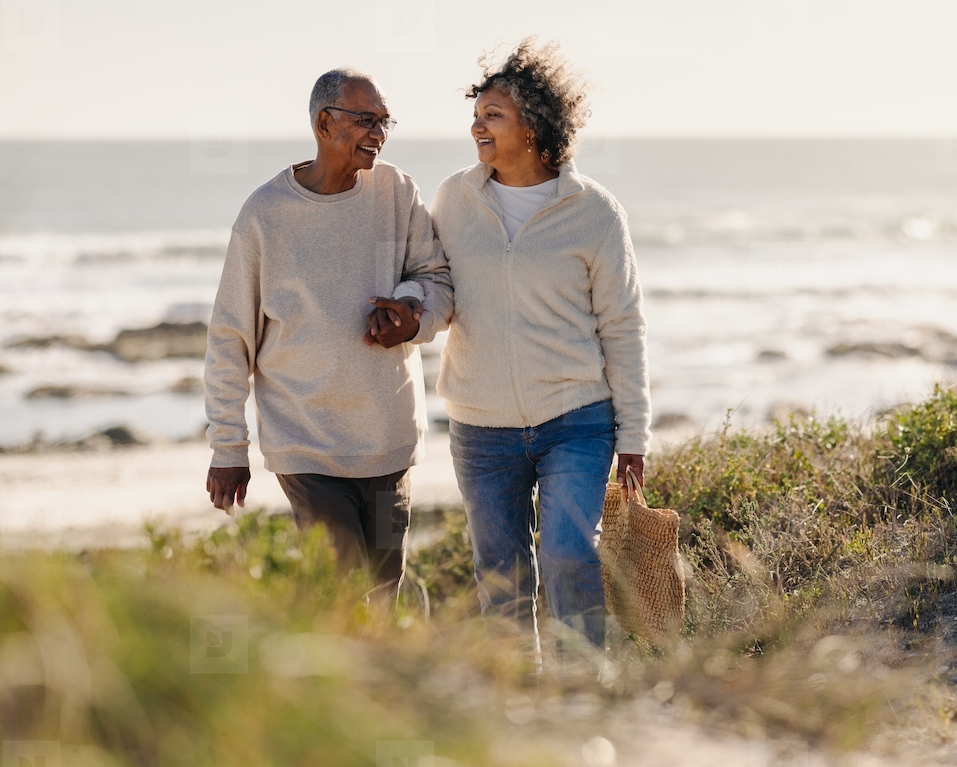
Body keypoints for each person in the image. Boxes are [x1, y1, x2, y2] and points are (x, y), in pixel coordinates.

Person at [385, 39, 650, 651]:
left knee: (566, 552)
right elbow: (437, 284)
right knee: (501, 578)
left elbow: (623, 325)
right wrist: (410, 310)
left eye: (492, 116)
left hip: (576, 420)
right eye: (476, 115)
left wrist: (634, 435)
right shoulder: (456, 197)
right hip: (481, 429)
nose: (476, 126)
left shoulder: (594, 212)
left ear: (533, 126)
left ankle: (583, 691)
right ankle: (517, 707)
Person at [204, 68, 452, 597]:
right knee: (345, 583)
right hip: (307, 445)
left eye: (385, 122)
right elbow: (230, 338)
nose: (379, 134)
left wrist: (412, 316)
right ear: (323, 123)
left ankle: (393, 674)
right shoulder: (265, 215)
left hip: (389, 443)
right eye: (366, 121)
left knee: (386, 586)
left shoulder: (397, 192)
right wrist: (229, 448)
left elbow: (438, 282)